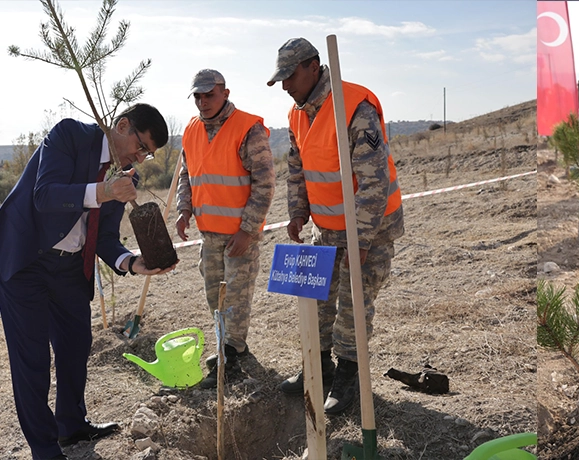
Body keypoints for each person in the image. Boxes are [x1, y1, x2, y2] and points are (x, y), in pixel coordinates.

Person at [0, 104, 175, 459]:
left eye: (148, 154)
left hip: (68, 268)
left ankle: (71, 425)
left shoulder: (126, 176)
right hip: (25, 260)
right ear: (122, 125)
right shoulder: (68, 136)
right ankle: (45, 450)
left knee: (76, 344)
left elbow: (106, 237)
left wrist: (131, 262)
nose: (140, 159)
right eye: (141, 147)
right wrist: (105, 191)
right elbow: (45, 195)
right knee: (32, 359)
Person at [267, 37, 404, 415]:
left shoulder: (353, 107)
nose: (285, 85)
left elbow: (374, 182)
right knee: (319, 302)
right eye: (281, 78)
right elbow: (297, 167)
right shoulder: (297, 113)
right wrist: (298, 211)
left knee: (353, 305)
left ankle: (349, 376)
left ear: (314, 66)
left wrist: (360, 240)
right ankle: (319, 368)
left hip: (369, 227)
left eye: (290, 76)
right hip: (326, 229)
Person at [175, 69, 275, 389]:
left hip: (238, 238)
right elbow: (187, 176)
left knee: (236, 299)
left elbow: (265, 183)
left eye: (210, 95)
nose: (203, 102)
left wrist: (248, 230)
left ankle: (230, 357)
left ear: (225, 93)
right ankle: (229, 349)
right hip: (209, 236)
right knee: (215, 301)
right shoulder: (191, 130)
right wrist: (184, 210)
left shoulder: (248, 129)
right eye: (198, 96)